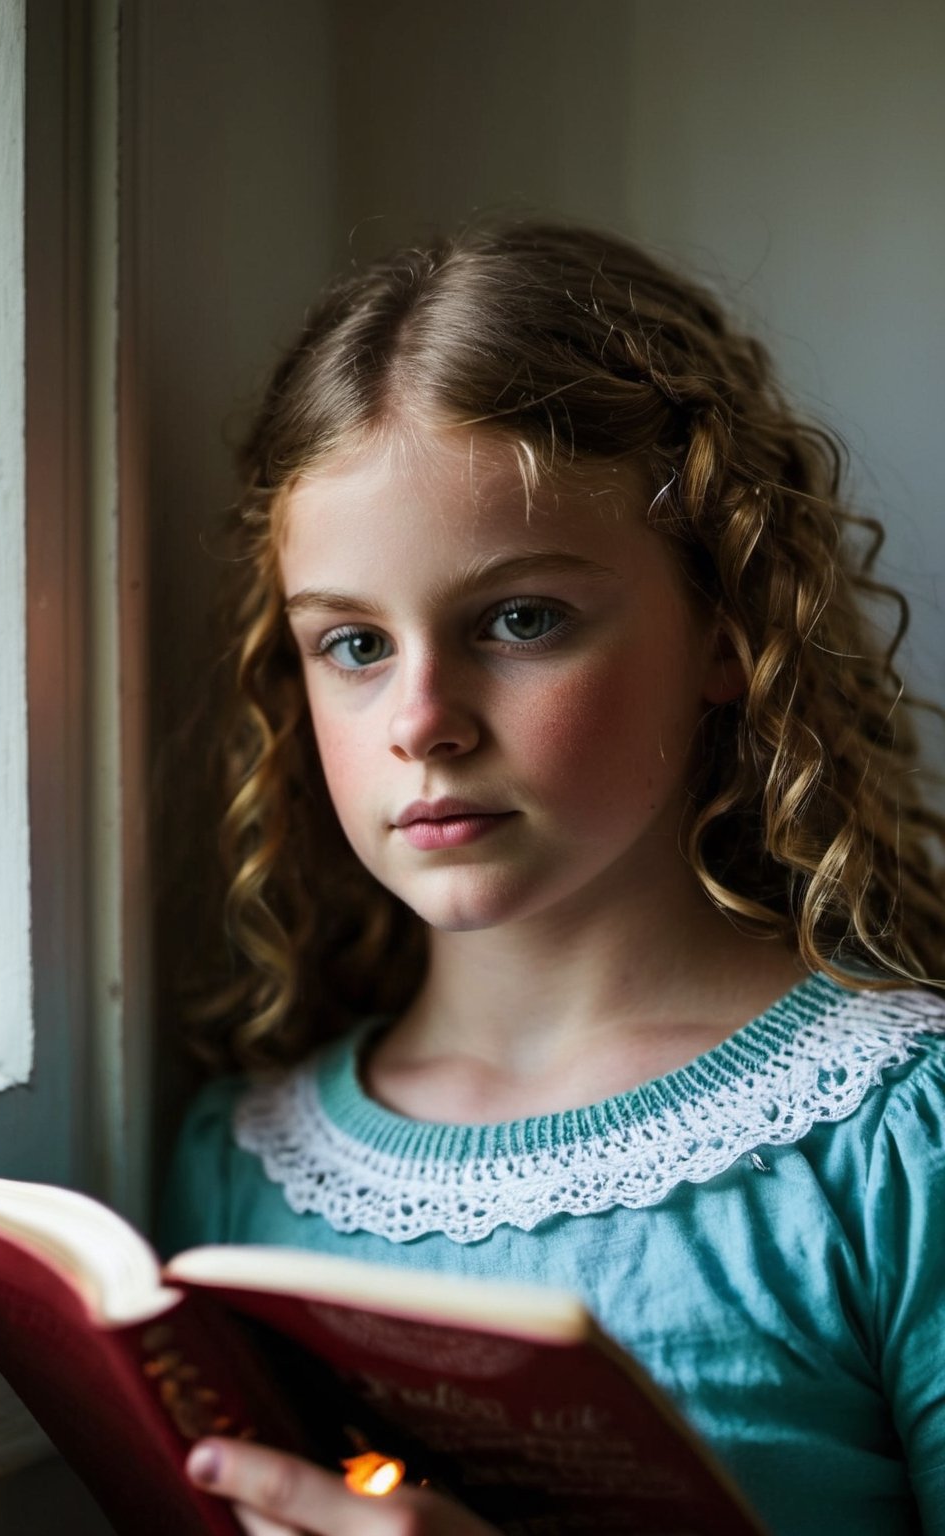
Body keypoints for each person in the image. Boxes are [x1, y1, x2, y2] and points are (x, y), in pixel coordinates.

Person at [162, 220, 945, 1536]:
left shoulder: (898, 1139)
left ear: (726, 630)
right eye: (352, 642)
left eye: (520, 620)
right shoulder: (239, 1165)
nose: (422, 720)